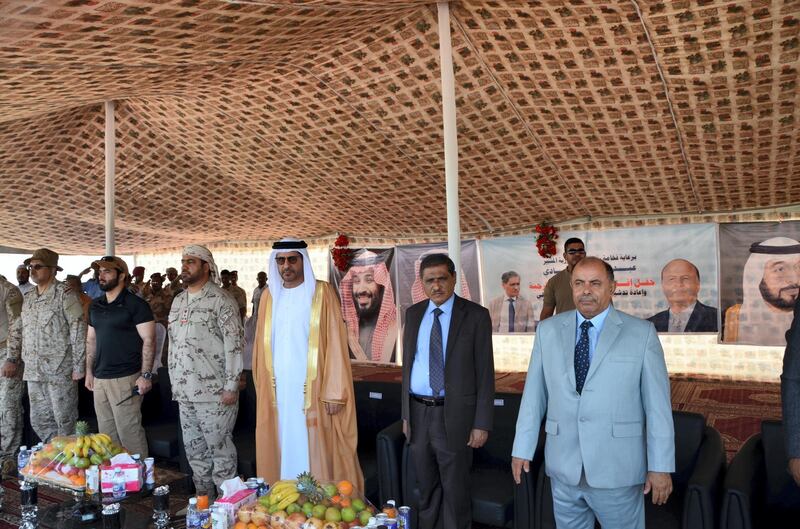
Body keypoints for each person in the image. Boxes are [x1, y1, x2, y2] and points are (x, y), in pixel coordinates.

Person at [511, 257, 675, 529]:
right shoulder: (548, 331)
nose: (586, 290)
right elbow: (533, 397)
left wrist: (660, 466)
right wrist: (522, 449)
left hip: (617, 470)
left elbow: (657, 407)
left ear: (612, 287)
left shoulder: (641, 333)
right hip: (564, 468)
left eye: (595, 283)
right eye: (579, 283)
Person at [252, 238, 363, 489]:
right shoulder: (269, 296)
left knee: (311, 444)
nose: (286, 266)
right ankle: (284, 496)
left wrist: (334, 392)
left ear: (303, 260)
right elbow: (260, 346)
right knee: (282, 439)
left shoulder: (321, 293)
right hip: (278, 389)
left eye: (292, 259)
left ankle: (316, 499)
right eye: (280, 261)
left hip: (313, 388)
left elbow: (335, 341)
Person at [401, 253, 495, 529]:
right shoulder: (414, 314)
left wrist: (481, 423)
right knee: (426, 487)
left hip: (455, 416)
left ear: (453, 278)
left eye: (442, 278)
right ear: (422, 282)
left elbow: (485, 374)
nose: (437, 286)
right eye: (430, 280)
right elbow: (408, 367)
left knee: (456, 490)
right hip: (419, 414)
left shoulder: (476, 316)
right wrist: (406, 415)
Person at [168, 245, 243, 498]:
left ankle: (227, 510)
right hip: (185, 391)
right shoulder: (178, 300)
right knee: (195, 454)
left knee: (220, 453)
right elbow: (173, 344)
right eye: (183, 261)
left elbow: (234, 345)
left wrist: (232, 386)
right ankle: (204, 509)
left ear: (206, 266)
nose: (184, 266)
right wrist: (174, 383)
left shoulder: (221, 300)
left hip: (215, 393)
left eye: (191, 261)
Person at [8, 248, 86, 442]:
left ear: (53, 270)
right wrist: (12, 357)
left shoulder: (65, 294)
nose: (32, 270)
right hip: (34, 371)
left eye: (38, 266)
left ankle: (70, 465)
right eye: (30, 266)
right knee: (40, 421)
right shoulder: (29, 298)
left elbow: (78, 330)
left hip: (59, 371)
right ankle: (53, 460)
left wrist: (79, 366)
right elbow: (18, 329)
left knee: (64, 420)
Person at [85, 256, 155, 457]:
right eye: (100, 272)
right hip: (100, 378)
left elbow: (149, 341)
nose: (101, 276)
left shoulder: (136, 305)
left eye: (107, 271)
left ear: (122, 275)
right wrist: (89, 372)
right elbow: (91, 340)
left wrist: (146, 375)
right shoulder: (95, 305)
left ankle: (140, 479)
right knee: (106, 436)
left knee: (129, 433)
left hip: (126, 378)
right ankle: (115, 479)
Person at [724, 237, 800, 346]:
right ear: (756, 277)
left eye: (799, 267)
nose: (794, 279)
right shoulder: (735, 317)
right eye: (780, 269)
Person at [339, 251, 398, 363]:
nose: (361, 289)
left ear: (382, 287)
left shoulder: (399, 330)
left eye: (369, 280)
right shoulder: (344, 332)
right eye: (356, 281)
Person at [648, 259, 718, 332]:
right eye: (671, 279)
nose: (679, 284)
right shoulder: (650, 325)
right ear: (663, 285)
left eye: (685, 278)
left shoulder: (717, 319)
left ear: (698, 284)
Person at [0, 274, 23, 473]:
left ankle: (9, 458)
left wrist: (12, 358)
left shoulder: (9, 290)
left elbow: (17, 324)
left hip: (5, 354)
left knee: (8, 406)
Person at [540, 237, 586, 321]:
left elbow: (608, 308)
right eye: (572, 252)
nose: (577, 254)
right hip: (563, 332)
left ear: (585, 254)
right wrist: (542, 333)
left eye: (580, 251)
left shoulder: (598, 278)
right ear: (565, 256)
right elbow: (546, 314)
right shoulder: (554, 282)